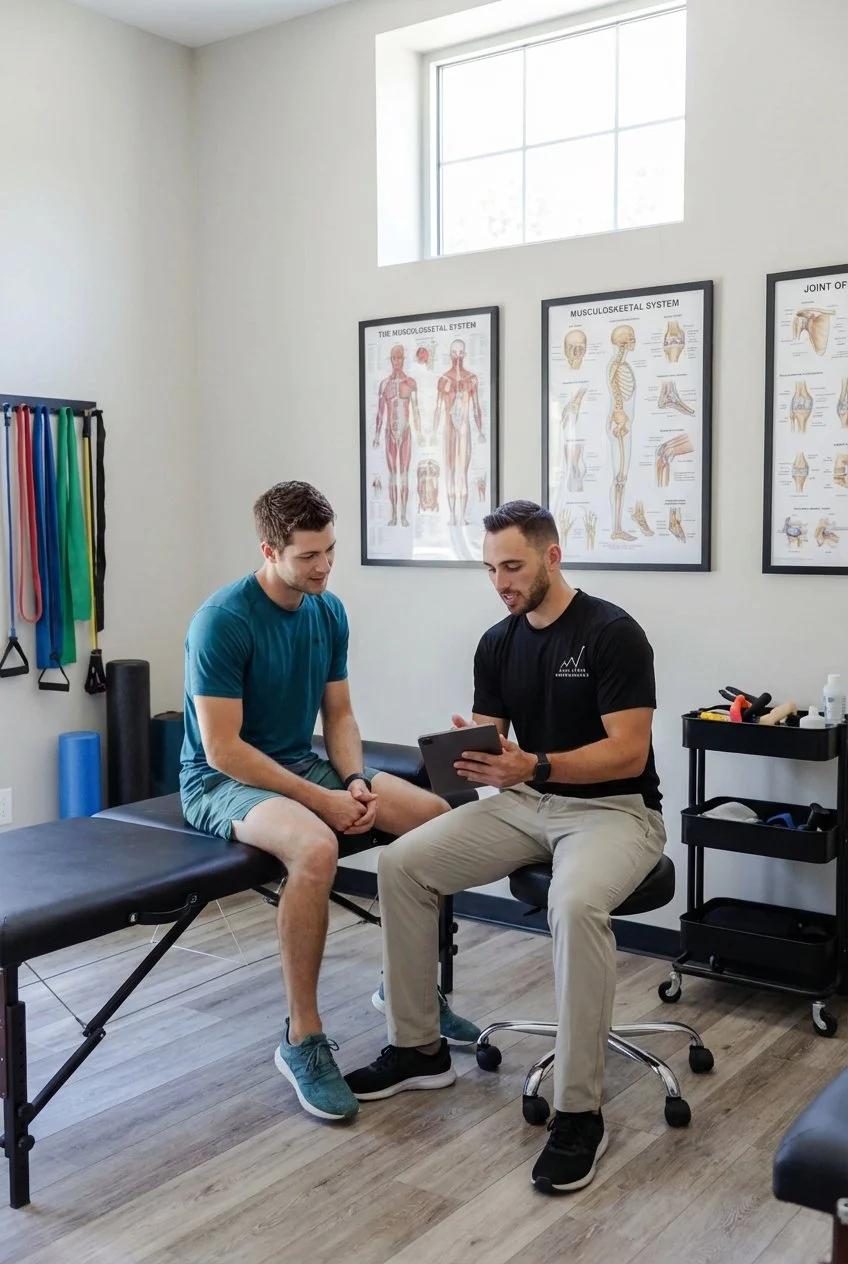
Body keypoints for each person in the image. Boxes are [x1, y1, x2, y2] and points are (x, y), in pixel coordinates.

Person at [345, 499, 666, 1194]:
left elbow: (626, 751)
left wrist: (534, 764)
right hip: (526, 804)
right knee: (402, 862)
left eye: (513, 566)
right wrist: (477, 754)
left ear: (553, 556)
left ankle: (579, 1112)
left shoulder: (613, 633)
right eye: (490, 568)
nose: (501, 582)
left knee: (576, 905)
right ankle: (418, 1047)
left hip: (615, 811)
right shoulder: (498, 641)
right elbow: (500, 748)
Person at [179, 480, 479, 1124]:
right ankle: (303, 1039)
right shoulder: (222, 621)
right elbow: (223, 749)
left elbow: (339, 714)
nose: (324, 566)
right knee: (315, 847)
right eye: (308, 556)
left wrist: (353, 783)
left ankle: (407, 995)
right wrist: (321, 800)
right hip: (221, 780)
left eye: (330, 551)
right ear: (269, 550)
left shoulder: (328, 609)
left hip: (301, 762)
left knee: (436, 819)